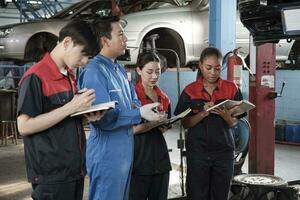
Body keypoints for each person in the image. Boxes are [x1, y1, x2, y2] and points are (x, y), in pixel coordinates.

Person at [17, 20, 104, 200]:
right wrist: (71, 107)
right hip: (52, 176)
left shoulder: (69, 75)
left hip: (74, 171)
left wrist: (87, 117)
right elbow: (24, 126)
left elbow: (64, 120)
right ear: (67, 43)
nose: (85, 61)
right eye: (83, 54)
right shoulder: (35, 77)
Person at [78, 16, 163, 200]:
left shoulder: (119, 70)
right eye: (121, 34)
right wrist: (137, 113)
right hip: (107, 154)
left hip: (124, 153)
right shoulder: (95, 71)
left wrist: (138, 110)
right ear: (105, 40)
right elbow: (103, 118)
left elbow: (133, 101)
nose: (126, 39)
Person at [174, 47, 246, 200]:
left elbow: (234, 123)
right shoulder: (189, 91)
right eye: (209, 68)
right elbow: (185, 123)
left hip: (224, 153)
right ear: (200, 65)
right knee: (197, 194)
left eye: (218, 68)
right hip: (198, 153)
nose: (213, 72)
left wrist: (227, 117)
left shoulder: (231, 88)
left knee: (220, 195)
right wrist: (202, 113)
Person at [129, 52, 172, 200]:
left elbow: (165, 128)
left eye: (158, 71)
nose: (154, 76)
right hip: (138, 160)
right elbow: (130, 130)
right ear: (139, 70)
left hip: (160, 159)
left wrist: (164, 125)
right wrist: (153, 123)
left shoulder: (164, 97)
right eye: (149, 72)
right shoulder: (131, 95)